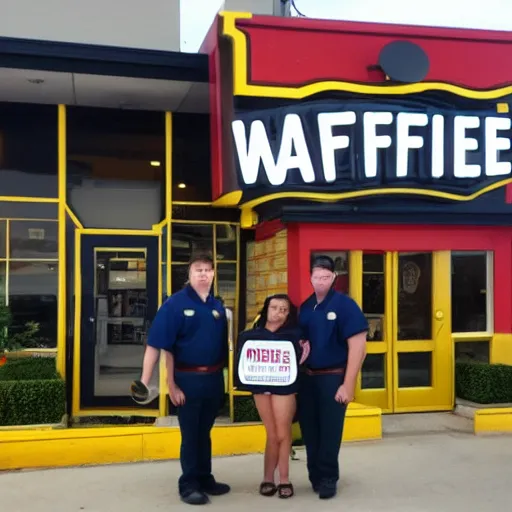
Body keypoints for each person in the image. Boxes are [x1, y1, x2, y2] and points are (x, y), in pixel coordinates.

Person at [130, 253, 230, 506]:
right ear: (189, 274)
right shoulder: (174, 305)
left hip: (213, 378)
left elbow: (225, 346)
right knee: (191, 434)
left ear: (214, 274)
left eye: (208, 270)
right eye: (199, 270)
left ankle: (205, 477)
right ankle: (188, 484)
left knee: (204, 432)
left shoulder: (217, 306)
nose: (204, 274)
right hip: (187, 379)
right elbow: (158, 346)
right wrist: (164, 384)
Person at [298, 255, 368, 500]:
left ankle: (329, 477)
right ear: (310, 277)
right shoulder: (306, 307)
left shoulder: (345, 305)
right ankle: (314, 475)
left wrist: (347, 386)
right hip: (308, 378)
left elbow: (359, 347)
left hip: (333, 377)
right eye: (317, 276)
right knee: (310, 429)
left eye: (326, 277)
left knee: (330, 430)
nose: (321, 281)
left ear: (334, 277)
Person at [235, 294, 310, 499]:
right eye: (275, 307)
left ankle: (284, 479)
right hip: (261, 386)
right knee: (271, 432)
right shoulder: (252, 336)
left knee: (282, 432)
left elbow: (302, 358)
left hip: (284, 386)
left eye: (284, 309)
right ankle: (268, 478)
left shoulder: (295, 335)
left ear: (288, 314)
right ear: (266, 309)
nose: (279, 312)